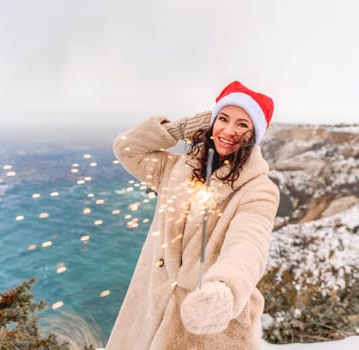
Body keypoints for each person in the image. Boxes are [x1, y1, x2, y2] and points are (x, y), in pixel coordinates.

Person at [107, 81, 280, 350]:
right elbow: (127, 149)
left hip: (210, 324)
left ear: (255, 134)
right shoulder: (177, 168)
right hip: (152, 309)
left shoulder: (259, 189)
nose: (229, 131)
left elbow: (249, 244)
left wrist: (224, 289)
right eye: (222, 119)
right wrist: (176, 129)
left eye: (242, 124)